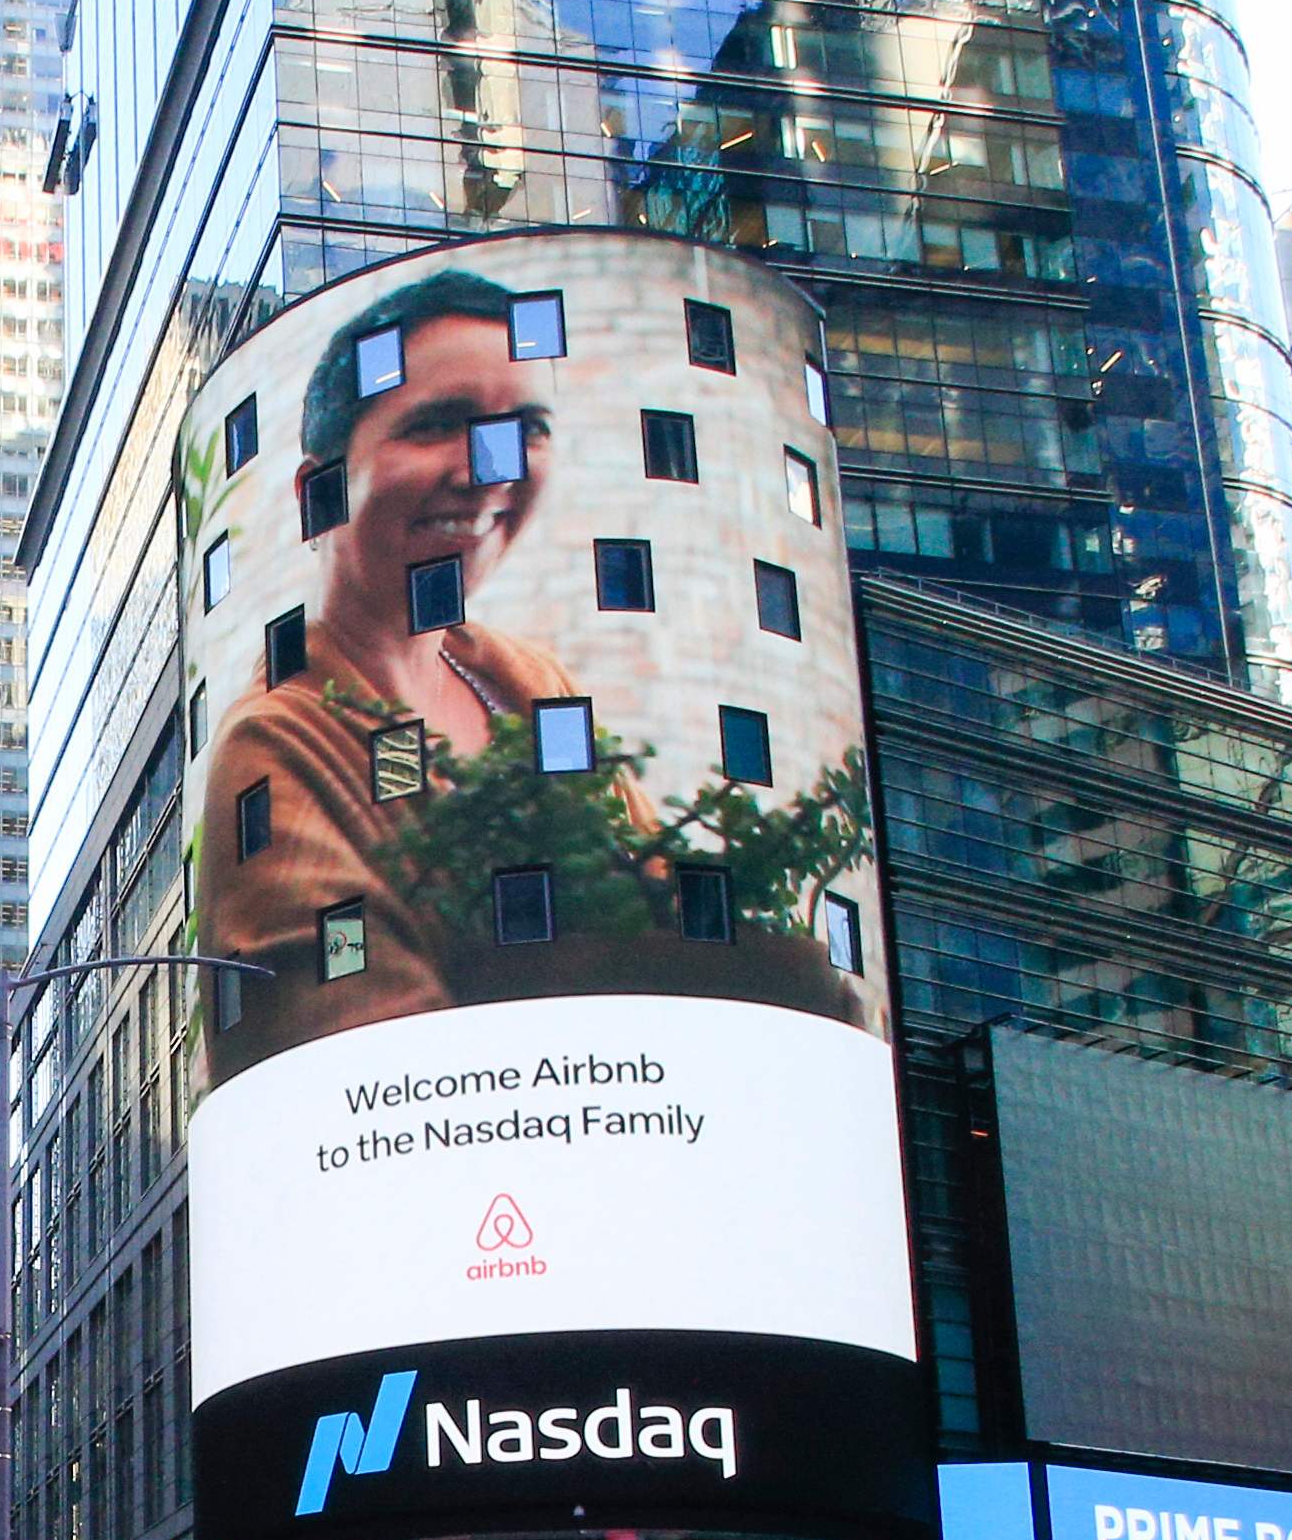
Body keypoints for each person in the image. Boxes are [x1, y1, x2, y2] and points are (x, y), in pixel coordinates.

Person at [190, 269, 873, 1084]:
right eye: (437, 425)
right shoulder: (272, 746)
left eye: (525, 429)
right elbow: (363, 1039)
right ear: (320, 493)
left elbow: (652, 895)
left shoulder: (525, 681)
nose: (488, 471)